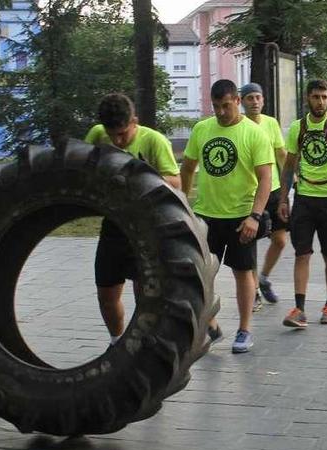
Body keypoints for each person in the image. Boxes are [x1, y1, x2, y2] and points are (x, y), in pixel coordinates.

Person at [181, 79, 273, 353]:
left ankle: (244, 330)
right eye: (215, 106)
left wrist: (254, 217)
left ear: (237, 101)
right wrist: (184, 203)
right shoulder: (202, 129)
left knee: (243, 273)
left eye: (225, 106)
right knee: (197, 275)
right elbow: (187, 168)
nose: (220, 112)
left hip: (240, 217)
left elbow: (265, 178)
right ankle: (211, 323)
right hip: (205, 217)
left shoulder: (254, 133)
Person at [84, 93, 181, 346]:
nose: (117, 140)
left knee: (145, 294)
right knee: (106, 293)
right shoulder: (97, 134)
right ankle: (117, 342)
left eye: (123, 134)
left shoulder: (154, 141)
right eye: (112, 134)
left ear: (134, 121)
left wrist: (140, 177)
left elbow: (176, 182)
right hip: (114, 226)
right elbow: (83, 166)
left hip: (146, 228)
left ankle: (143, 344)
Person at [278, 79, 327, 327]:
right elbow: (289, 165)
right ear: (307, 99)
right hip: (304, 199)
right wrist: (283, 199)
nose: (320, 101)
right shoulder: (298, 127)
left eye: (323, 97)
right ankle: (299, 309)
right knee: (302, 253)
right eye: (315, 97)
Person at [239, 82, 288, 309]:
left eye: (258, 97)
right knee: (250, 246)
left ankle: (263, 278)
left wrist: (291, 182)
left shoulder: (271, 123)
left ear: (263, 100)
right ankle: (254, 291)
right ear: (242, 101)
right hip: (251, 192)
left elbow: (281, 154)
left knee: (280, 240)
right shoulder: (239, 126)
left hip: (274, 190)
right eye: (250, 98)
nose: (255, 102)